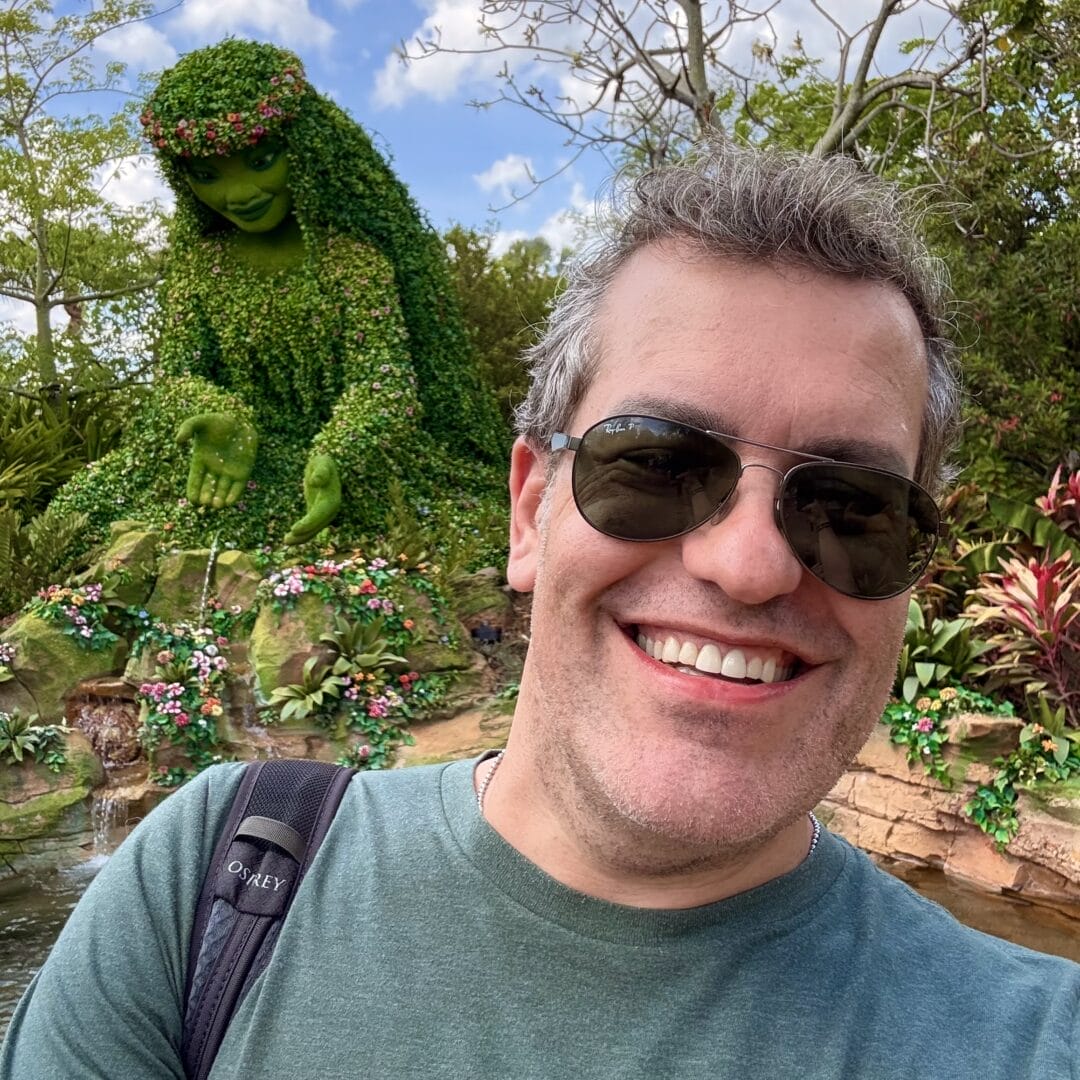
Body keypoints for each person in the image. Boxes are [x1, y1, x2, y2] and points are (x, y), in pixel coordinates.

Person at [4, 143, 1078, 1079]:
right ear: (530, 510)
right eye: (657, 462)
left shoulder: (1036, 1042)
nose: (751, 564)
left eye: (852, 503)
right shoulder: (214, 886)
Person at [50, 40, 505, 553]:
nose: (239, 193)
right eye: (206, 175)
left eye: (262, 160)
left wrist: (337, 455)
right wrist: (222, 419)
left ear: (304, 148)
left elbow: (385, 383)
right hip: (229, 456)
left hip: (334, 463)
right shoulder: (202, 265)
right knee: (74, 523)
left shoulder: (352, 261)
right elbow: (178, 373)